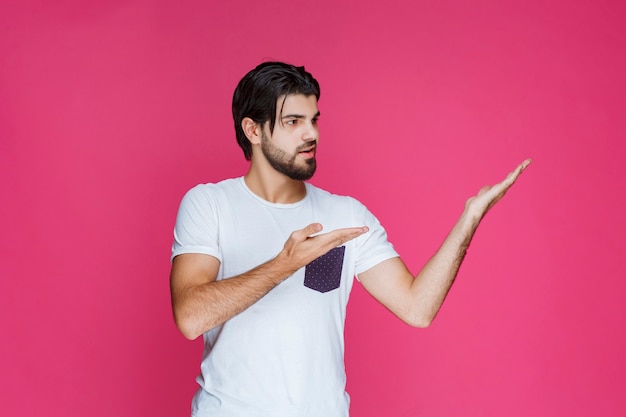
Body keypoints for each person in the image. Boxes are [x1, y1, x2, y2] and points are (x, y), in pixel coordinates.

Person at [170, 61, 531, 417]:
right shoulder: (209, 204)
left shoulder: (346, 215)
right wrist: (286, 265)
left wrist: (469, 219)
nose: (311, 134)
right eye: (293, 122)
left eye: (314, 120)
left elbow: (417, 308)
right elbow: (190, 316)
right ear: (253, 130)